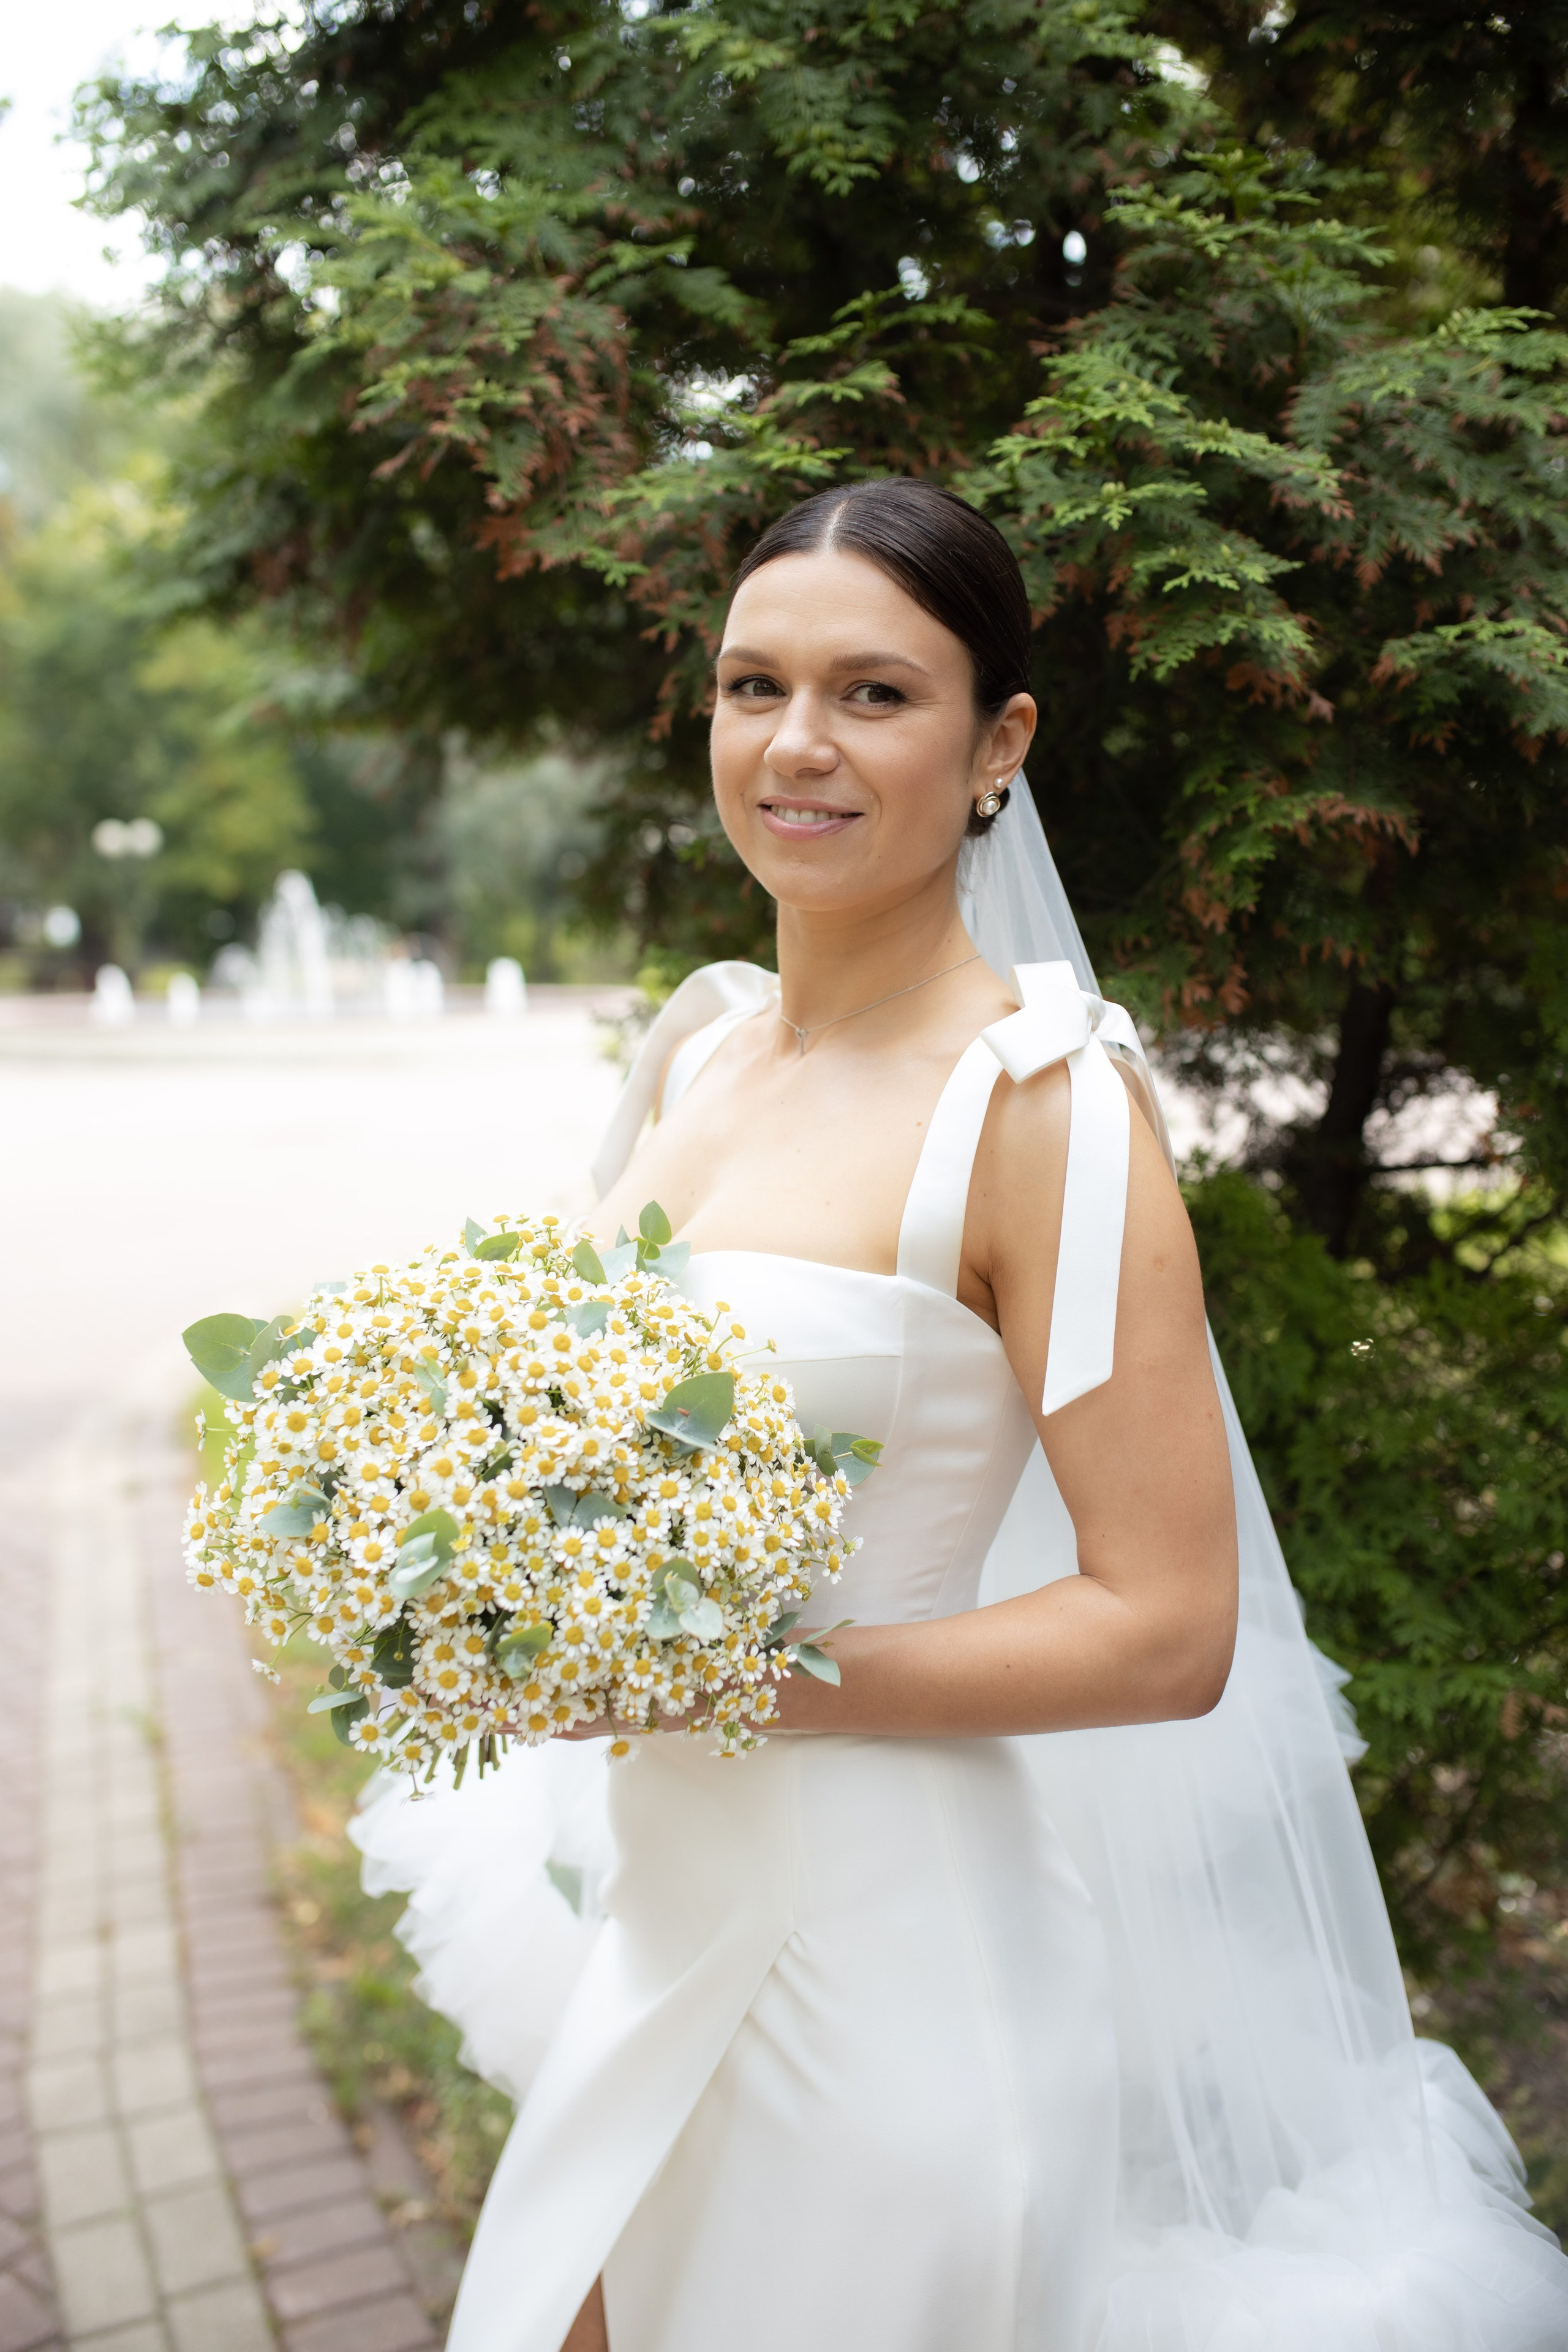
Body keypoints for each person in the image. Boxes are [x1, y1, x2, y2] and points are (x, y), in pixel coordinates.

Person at [355, 481, 1568, 2352]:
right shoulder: (700, 1042)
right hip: (662, 1911)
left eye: (875, 694)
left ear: (998, 744)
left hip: (893, 1979)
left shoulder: (1046, 1113)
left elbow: (1168, 1629)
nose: (798, 746)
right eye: (754, 686)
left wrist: (738, 1679)